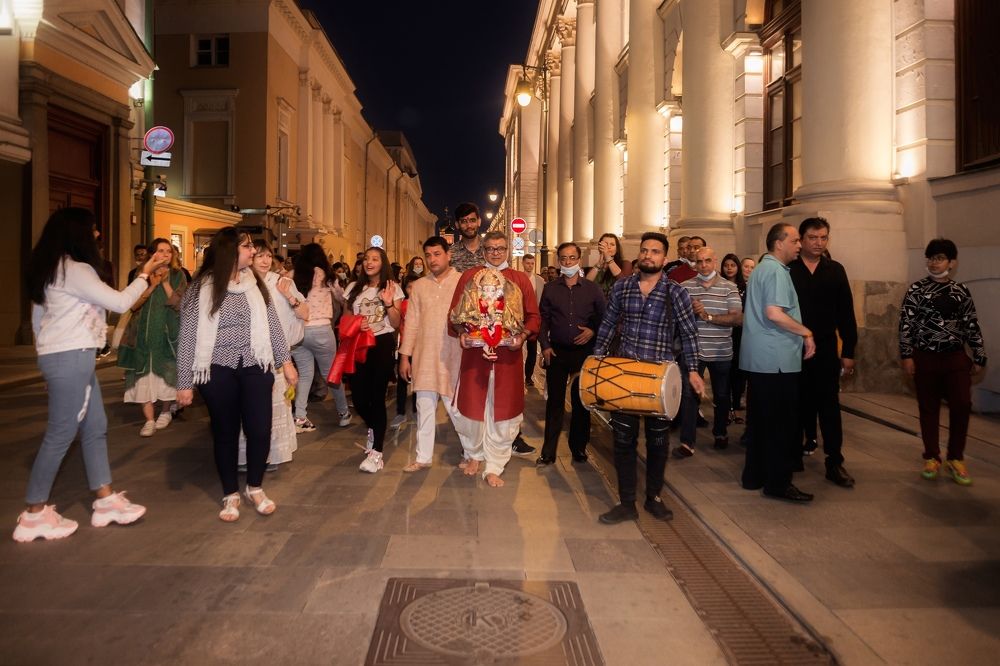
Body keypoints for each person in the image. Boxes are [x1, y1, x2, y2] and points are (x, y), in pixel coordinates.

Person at [14, 207, 158, 542]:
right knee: (61, 433)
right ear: (78, 233)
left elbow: (38, 323)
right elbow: (121, 303)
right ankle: (34, 513)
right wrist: (144, 274)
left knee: (95, 427)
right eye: (93, 229)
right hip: (72, 356)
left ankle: (105, 499)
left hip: (63, 356)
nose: (97, 235)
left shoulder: (49, 269)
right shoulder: (75, 270)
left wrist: (46, 365)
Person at [176, 229, 296, 521]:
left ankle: (255, 487)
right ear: (230, 251)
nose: (253, 252)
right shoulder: (200, 289)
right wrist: (184, 383)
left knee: (259, 428)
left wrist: (286, 362)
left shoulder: (255, 284)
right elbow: (188, 336)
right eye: (247, 247)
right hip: (217, 370)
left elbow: (272, 325)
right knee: (225, 432)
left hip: (256, 365)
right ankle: (230, 493)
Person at [592, 232, 705, 524]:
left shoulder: (676, 292)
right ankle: (626, 502)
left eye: (655, 251)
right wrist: (596, 358)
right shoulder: (623, 287)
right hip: (626, 375)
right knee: (623, 440)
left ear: (664, 259)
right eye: (644, 250)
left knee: (658, 442)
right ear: (639, 255)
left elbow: (690, 333)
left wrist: (692, 370)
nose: (648, 255)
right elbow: (607, 324)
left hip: (660, 378)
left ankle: (653, 497)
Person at [448, 231, 540, 487]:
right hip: (475, 356)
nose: (495, 253)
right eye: (490, 249)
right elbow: (454, 315)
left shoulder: (520, 279)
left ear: (508, 250)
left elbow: (533, 317)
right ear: (484, 251)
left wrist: (521, 337)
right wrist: (462, 335)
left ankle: (495, 464)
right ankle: (474, 454)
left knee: (503, 412)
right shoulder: (470, 277)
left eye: (500, 248)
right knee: (471, 408)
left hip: (507, 358)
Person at [899, 238, 987, 486]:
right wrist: (906, 355)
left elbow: (972, 324)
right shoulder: (916, 291)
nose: (933, 263)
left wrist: (979, 354)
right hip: (925, 357)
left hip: (955, 357)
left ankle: (956, 458)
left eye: (939, 258)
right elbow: (906, 326)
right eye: (931, 258)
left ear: (952, 262)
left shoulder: (961, 292)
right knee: (928, 407)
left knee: (961, 403)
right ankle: (932, 457)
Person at [740, 223, 816, 503]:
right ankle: (778, 483)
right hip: (777, 361)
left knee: (759, 423)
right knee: (782, 427)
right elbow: (774, 313)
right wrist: (806, 331)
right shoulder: (775, 271)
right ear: (779, 243)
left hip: (761, 361)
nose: (800, 245)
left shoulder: (761, 268)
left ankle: (754, 476)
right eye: (795, 240)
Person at [789, 218, 858, 488]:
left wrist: (849, 350)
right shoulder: (789, 269)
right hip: (793, 347)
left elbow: (846, 313)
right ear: (801, 239)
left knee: (829, 407)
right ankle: (793, 454)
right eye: (813, 238)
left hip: (827, 349)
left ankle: (834, 461)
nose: (818, 243)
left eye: (823, 238)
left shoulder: (835, 270)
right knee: (795, 403)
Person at [236, 239, 308, 471]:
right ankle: (246, 455)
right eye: (260, 256)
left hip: (277, 354)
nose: (266, 261)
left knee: (274, 404)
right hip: (248, 353)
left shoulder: (282, 281)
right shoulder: (240, 282)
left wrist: (288, 295)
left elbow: (305, 313)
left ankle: (272, 454)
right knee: (247, 406)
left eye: (269, 256)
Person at [398, 237, 466, 471]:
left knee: (455, 409)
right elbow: (412, 323)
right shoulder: (419, 286)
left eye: (437, 254)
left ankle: (471, 453)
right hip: (424, 356)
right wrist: (405, 356)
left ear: (448, 255)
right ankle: (422, 457)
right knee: (424, 407)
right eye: (428, 255)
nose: (432, 260)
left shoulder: (461, 282)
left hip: (453, 356)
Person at [536, 242, 606, 466]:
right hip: (556, 352)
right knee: (554, 404)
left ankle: (579, 448)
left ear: (578, 260)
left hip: (583, 354)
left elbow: (603, 319)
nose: (567, 262)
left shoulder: (591, 289)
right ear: (559, 261)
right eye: (564, 258)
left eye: (572, 258)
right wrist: (545, 345)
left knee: (580, 403)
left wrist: (592, 331)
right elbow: (543, 319)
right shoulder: (551, 288)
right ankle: (548, 451)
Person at [675, 247, 743, 456]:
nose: (703, 265)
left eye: (707, 261)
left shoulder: (729, 287)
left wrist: (707, 316)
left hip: (721, 351)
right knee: (689, 395)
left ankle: (720, 432)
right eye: (698, 261)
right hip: (694, 350)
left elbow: (737, 318)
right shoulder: (685, 287)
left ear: (715, 261)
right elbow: (677, 318)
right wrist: (689, 311)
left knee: (722, 395)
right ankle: (687, 442)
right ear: (693, 263)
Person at [117, 238, 186, 437]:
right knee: (142, 376)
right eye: (160, 251)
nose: (165, 255)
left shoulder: (177, 275)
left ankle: (165, 411)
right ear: (152, 254)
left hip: (167, 333)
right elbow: (133, 305)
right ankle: (149, 420)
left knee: (167, 373)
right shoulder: (141, 275)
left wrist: (164, 283)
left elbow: (179, 304)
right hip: (142, 335)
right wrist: (152, 285)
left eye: (168, 251)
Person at [345, 247, 404, 473]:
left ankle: (377, 452)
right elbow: (346, 317)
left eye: (375, 259)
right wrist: (354, 324)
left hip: (381, 344)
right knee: (359, 398)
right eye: (367, 259)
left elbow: (397, 323)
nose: (369, 262)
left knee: (377, 397)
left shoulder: (392, 287)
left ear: (383, 263)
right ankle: (374, 428)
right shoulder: (353, 288)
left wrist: (388, 303)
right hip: (358, 345)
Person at [289, 243, 351, 433]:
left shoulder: (293, 275)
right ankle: (343, 413)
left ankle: (299, 416)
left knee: (305, 374)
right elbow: (342, 297)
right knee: (330, 374)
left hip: (299, 331)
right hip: (322, 330)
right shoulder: (327, 275)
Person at [390, 274, 420, 428]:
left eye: (415, 286)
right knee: (402, 381)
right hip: (404, 347)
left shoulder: (423, 304)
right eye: (409, 286)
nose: (412, 289)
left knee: (416, 380)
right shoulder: (402, 305)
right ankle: (400, 412)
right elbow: (396, 324)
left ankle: (416, 410)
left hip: (419, 347)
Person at [721, 253, 747, 422]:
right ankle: (725, 408)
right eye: (726, 265)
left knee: (739, 372)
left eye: (733, 265)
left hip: (741, 334)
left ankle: (736, 407)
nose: (729, 268)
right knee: (725, 373)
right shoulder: (719, 285)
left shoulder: (745, 287)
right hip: (723, 332)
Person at [521, 254, 546, 388]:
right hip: (520, 319)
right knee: (516, 348)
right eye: (528, 263)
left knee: (532, 349)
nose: (530, 266)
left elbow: (543, 299)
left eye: (532, 263)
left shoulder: (540, 280)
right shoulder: (518, 278)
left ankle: (529, 377)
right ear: (523, 263)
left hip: (534, 318)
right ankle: (518, 375)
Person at [586, 233, 631, 299]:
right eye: (606, 244)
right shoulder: (596, 267)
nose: (609, 247)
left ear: (617, 248)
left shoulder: (625, 264)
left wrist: (607, 256)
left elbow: (623, 282)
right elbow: (586, 284)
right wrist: (598, 264)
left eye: (612, 244)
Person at [449, 202, 485, 273]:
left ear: (479, 222)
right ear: (457, 225)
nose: (469, 226)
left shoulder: (490, 249)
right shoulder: (450, 254)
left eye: (472, 220)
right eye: (464, 221)